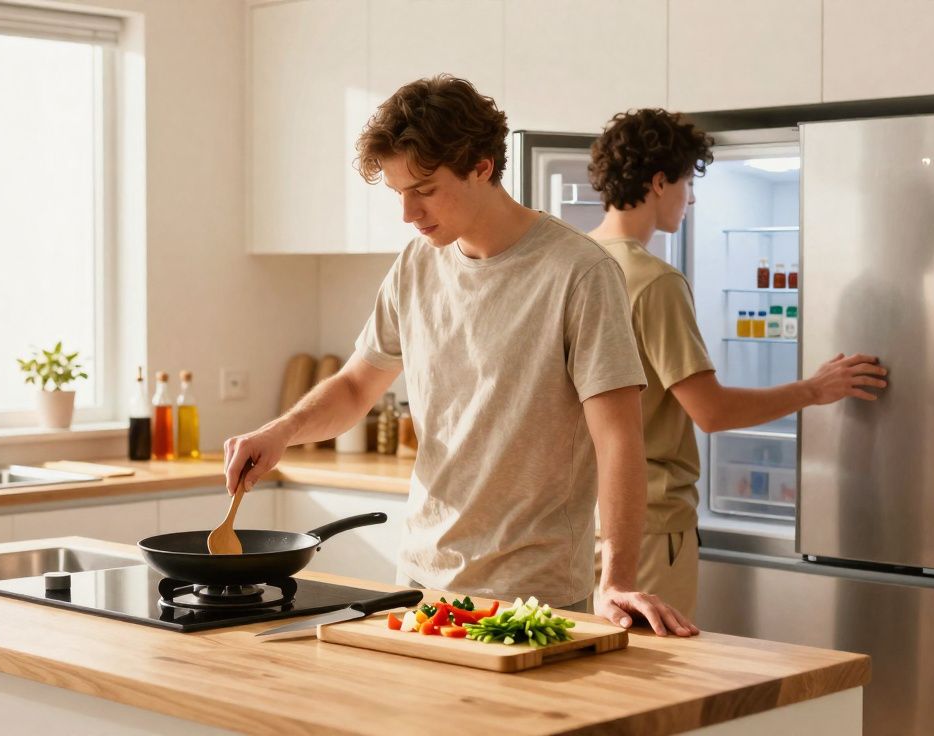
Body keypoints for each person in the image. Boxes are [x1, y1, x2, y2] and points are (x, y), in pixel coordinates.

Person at [224, 76, 697, 636]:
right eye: (398, 192)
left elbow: (618, 439)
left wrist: (614, 579)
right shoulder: (415, 265)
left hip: (535, 595)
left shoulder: (580, 272)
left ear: (480, 165)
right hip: (423, 586)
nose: (407, 212)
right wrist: (281, 431)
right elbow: (356, 387)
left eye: (423, 189)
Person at [585, 109, 889, 616]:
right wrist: (814, 389)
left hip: (584, 518)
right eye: (686, 182)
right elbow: (711, 410)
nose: (693, 197)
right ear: (659, 182)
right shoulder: (654, 280)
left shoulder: (575, 261)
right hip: (648, 525)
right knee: (653, 677)